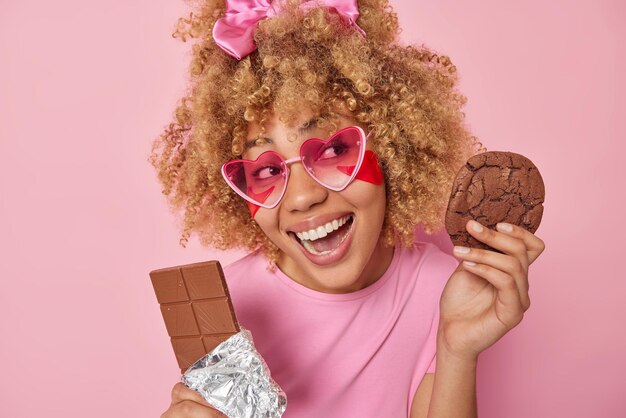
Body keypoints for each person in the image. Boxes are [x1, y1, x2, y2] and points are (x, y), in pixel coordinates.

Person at [149, 0, 545, 417]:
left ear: (392, 148)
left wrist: (456, 351)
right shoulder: (224, 307)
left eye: (334, 148)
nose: (302, 197)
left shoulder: (443, 292)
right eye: (265, 171)